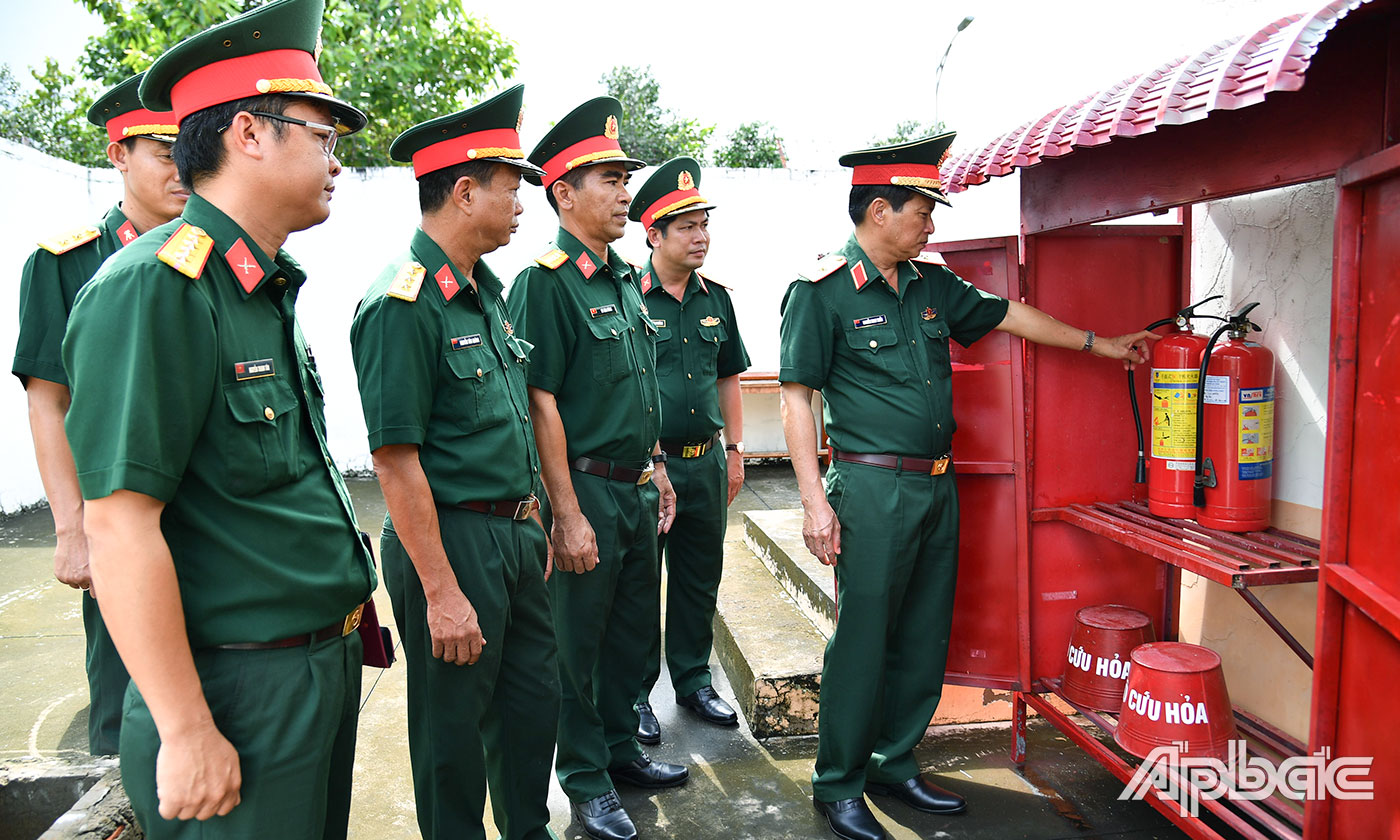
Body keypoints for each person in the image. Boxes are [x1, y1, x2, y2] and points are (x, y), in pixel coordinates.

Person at [778, 133, 1157, 840]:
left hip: (935, 486)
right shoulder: (822, 292)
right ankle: (838, 785)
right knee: (864, 638)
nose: (932, 224)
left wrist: (1099, 343)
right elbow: (796, 398)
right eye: (923, 209)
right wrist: (813, 501)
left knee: (924, 633)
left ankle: (894, 762)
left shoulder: (930, 284)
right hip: (870, 488)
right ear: (880, 210)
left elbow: (1009, 313)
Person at [60, 0, 376, 836]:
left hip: (312, 670)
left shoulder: (260, 284)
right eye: (322, 134)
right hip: (238, 692)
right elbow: (120, 525)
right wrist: (186, 728)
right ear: (249, 132)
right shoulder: (156, 290)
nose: (336, 158)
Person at [348, 84, 560, 840]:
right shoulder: (401, 305)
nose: (522, 205)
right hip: (450, 542)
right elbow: (395, 460)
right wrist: (441, 592)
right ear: (464, 191)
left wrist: (533, 521)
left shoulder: (485, 294)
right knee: (452, 741)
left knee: (533, 713)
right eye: (511, 190)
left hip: (511, 537)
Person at [505, 96, 682, 840]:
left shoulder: (621, 279)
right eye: (609, 179)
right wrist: (566, 511)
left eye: (624, 177)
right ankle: (583, 779)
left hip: (638, 487)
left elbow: (637, 389)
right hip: (587, 491)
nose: (624, 192)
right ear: (564, 193)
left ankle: (617, 752)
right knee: (576, 647)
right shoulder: (544, 283)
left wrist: (660, 467)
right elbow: (540, 402)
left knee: (633, 637)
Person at [12, 72, 185, 757]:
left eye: (191, 152)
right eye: (164, 151)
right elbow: (47, 400)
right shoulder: (69, 262)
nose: (183, 171)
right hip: (120, 516)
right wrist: (71, 528)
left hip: (207, 514)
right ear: (119, 154)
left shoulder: (205, 257)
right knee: (124, 705)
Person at [627, 157, 749, 743]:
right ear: (653, 234)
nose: (701, 236)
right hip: (650, 468)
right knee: (640, 582)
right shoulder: (628, 295)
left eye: (704, 224)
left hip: (706, 461)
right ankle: (635, 695)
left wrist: (737, 449)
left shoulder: (716, 298)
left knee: (701, 576)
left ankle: (694, 681)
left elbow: (729, 376)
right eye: (687, 227)